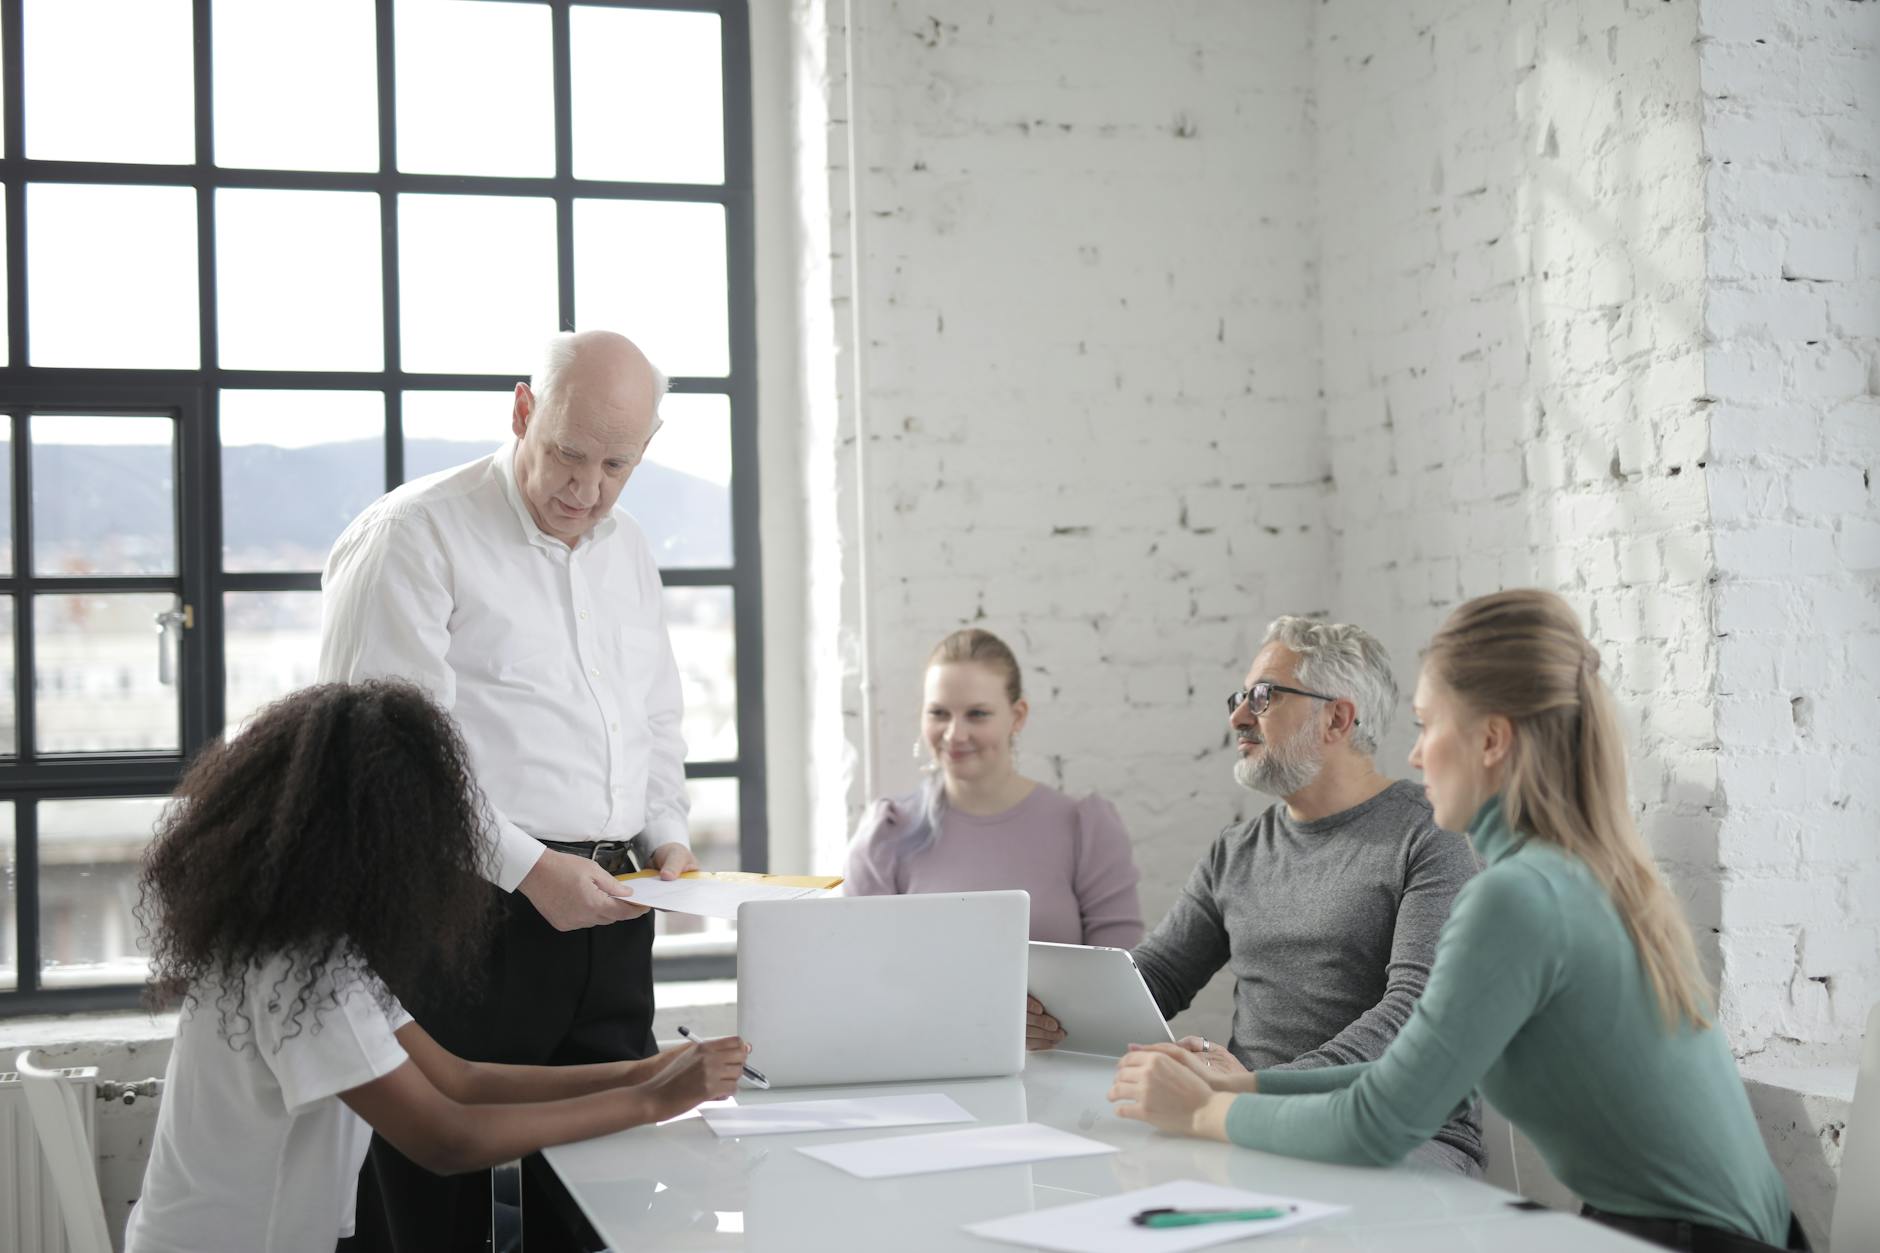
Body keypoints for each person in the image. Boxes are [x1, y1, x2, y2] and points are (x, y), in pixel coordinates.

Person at [1110, 590, 1802, 1252]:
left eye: (1425, 724)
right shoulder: (1570, 872)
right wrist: (1244, 1085)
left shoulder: (1517, 895)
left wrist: (1202, 1112)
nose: (1413, 754)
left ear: (1491, 740)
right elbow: (1399, 1082)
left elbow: (1381, 1121)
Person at [124, 681, 749, 1253]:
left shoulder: (303, 943)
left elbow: (460, 1078)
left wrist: (650, 1070)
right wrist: (654, 1100)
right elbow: (446, 1139)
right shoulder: (299, 970)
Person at [318, 330, 696, 1250]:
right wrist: (530, 870)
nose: (588, 488)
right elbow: (390, 759)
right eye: (569, 452)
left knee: (602, 1196)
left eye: (618, 464)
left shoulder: (629, 546)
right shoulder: (414, 534)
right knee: (429, 1210)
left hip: (612, 914)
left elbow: (652, 717)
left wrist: (667, 836)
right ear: (524, 411)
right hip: (460, 912)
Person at [1028, 615, 1484, 1175]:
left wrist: (1247, 1088)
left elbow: (1412, 1014)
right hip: (1244, 1119)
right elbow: (1157, 976)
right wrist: (1051, 1013)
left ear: (1336, 718)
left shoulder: (1428, 835)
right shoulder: (1237, 850)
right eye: (1240, 697)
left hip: (1403, 1130)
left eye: (1263, 697)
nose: (1238, 716)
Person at [845, 628, 1144, 947]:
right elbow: (859, 967)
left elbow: (1118, 974)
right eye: (939, 713)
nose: (955, 734)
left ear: (1017, 717)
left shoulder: (1085, 828)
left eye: (977, 714)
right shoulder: (886, 833)